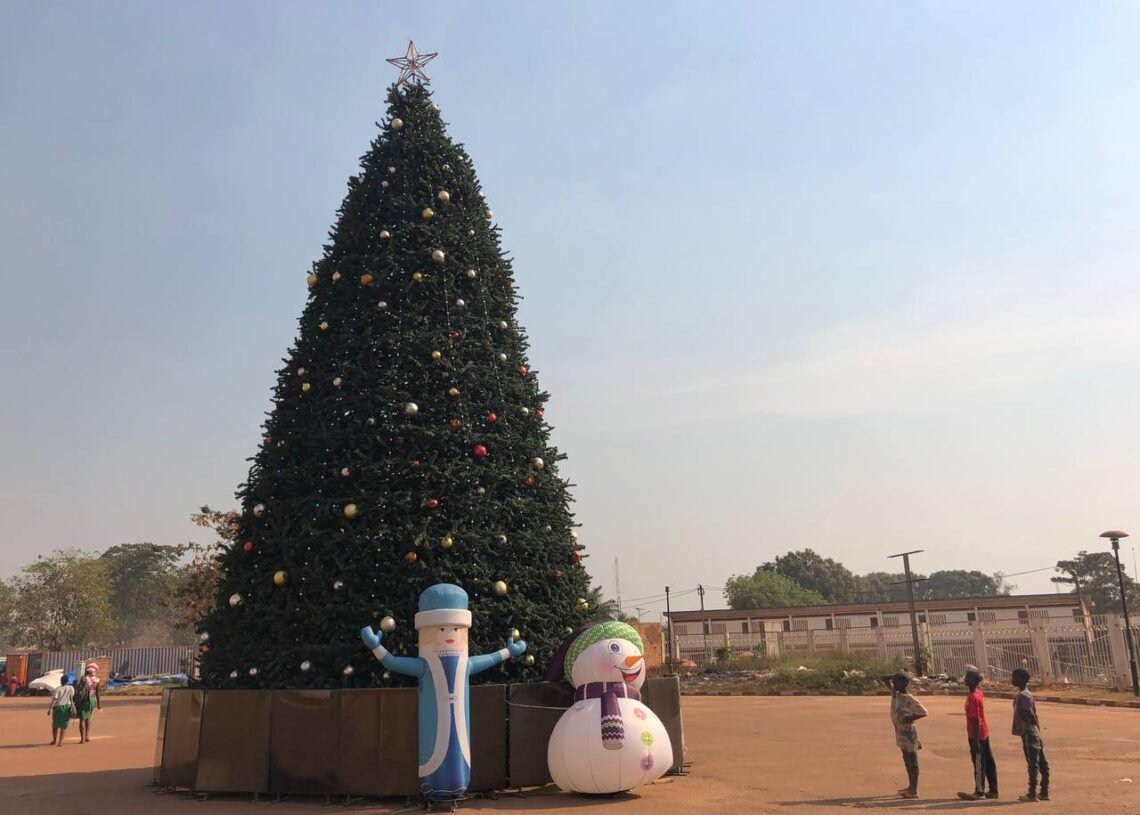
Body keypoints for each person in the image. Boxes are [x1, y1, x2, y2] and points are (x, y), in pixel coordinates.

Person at [956, 665, 998, 800]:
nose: (965, 679)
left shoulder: (974, 697)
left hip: (977, 734)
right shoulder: (977, 693)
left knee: (979, 762)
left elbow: (976, 720)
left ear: (974, 680)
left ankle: (979, 791)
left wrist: (975, 741)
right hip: (983, 732)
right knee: (988, 761)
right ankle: (993, 790)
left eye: (968, 677)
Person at [885, 671, 928, 799]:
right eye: (894, 681)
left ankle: (914, 789)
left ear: (905, 683)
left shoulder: (909, 698)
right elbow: (884, 679)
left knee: (912, 761)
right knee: (906, 759)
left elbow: (923, 712)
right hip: (900, 732)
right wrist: (894, 676)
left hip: (908, 732)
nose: (893, 683)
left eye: (897, 681)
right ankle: (910, 786)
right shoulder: (896, 695)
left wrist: (909, 718)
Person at [1011, 668, 1049, 802]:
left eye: (1014, 677)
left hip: (1028, 732)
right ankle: (1044, 791)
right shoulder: (1026, 694)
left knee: (1033, 763)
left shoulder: (1023, 696)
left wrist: (1030, 726)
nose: (1012, 680)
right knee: (1041, 762)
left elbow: (1029, 714)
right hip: (1034, 732)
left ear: (1022, 680)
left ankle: (1032, 793)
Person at [75, 664, 102, 743]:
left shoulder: (84, 679)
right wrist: (99, 704)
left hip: (84, 700)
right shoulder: (97, 680)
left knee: (82, 719)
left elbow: (79, 690)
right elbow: (98, 693)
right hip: (92, 699)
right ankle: (87, 735)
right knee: (88, 717)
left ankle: (82, 738)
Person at [47, 673, 76, 746]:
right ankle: (60, 742)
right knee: (64, 726)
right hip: (67, 707)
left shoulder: (58, 689)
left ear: (61, 681)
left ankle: (54, 740)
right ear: (67, 681)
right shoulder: (71, 688)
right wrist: (73, 706)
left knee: (55, 725)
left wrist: (49, 709)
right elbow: (71, 698)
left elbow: (54, 700)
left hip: (58, 707)